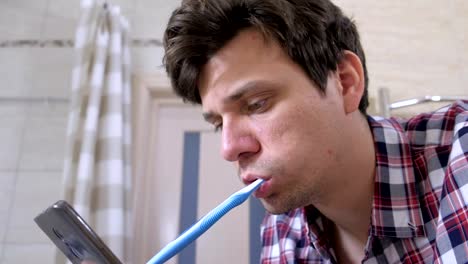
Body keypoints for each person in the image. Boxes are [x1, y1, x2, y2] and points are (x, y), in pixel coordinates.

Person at [162, 0, 468, 263]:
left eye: (256, 104)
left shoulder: (460, 157)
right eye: (218, 124)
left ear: (345, 82)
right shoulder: (280, 236)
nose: (229, 148)